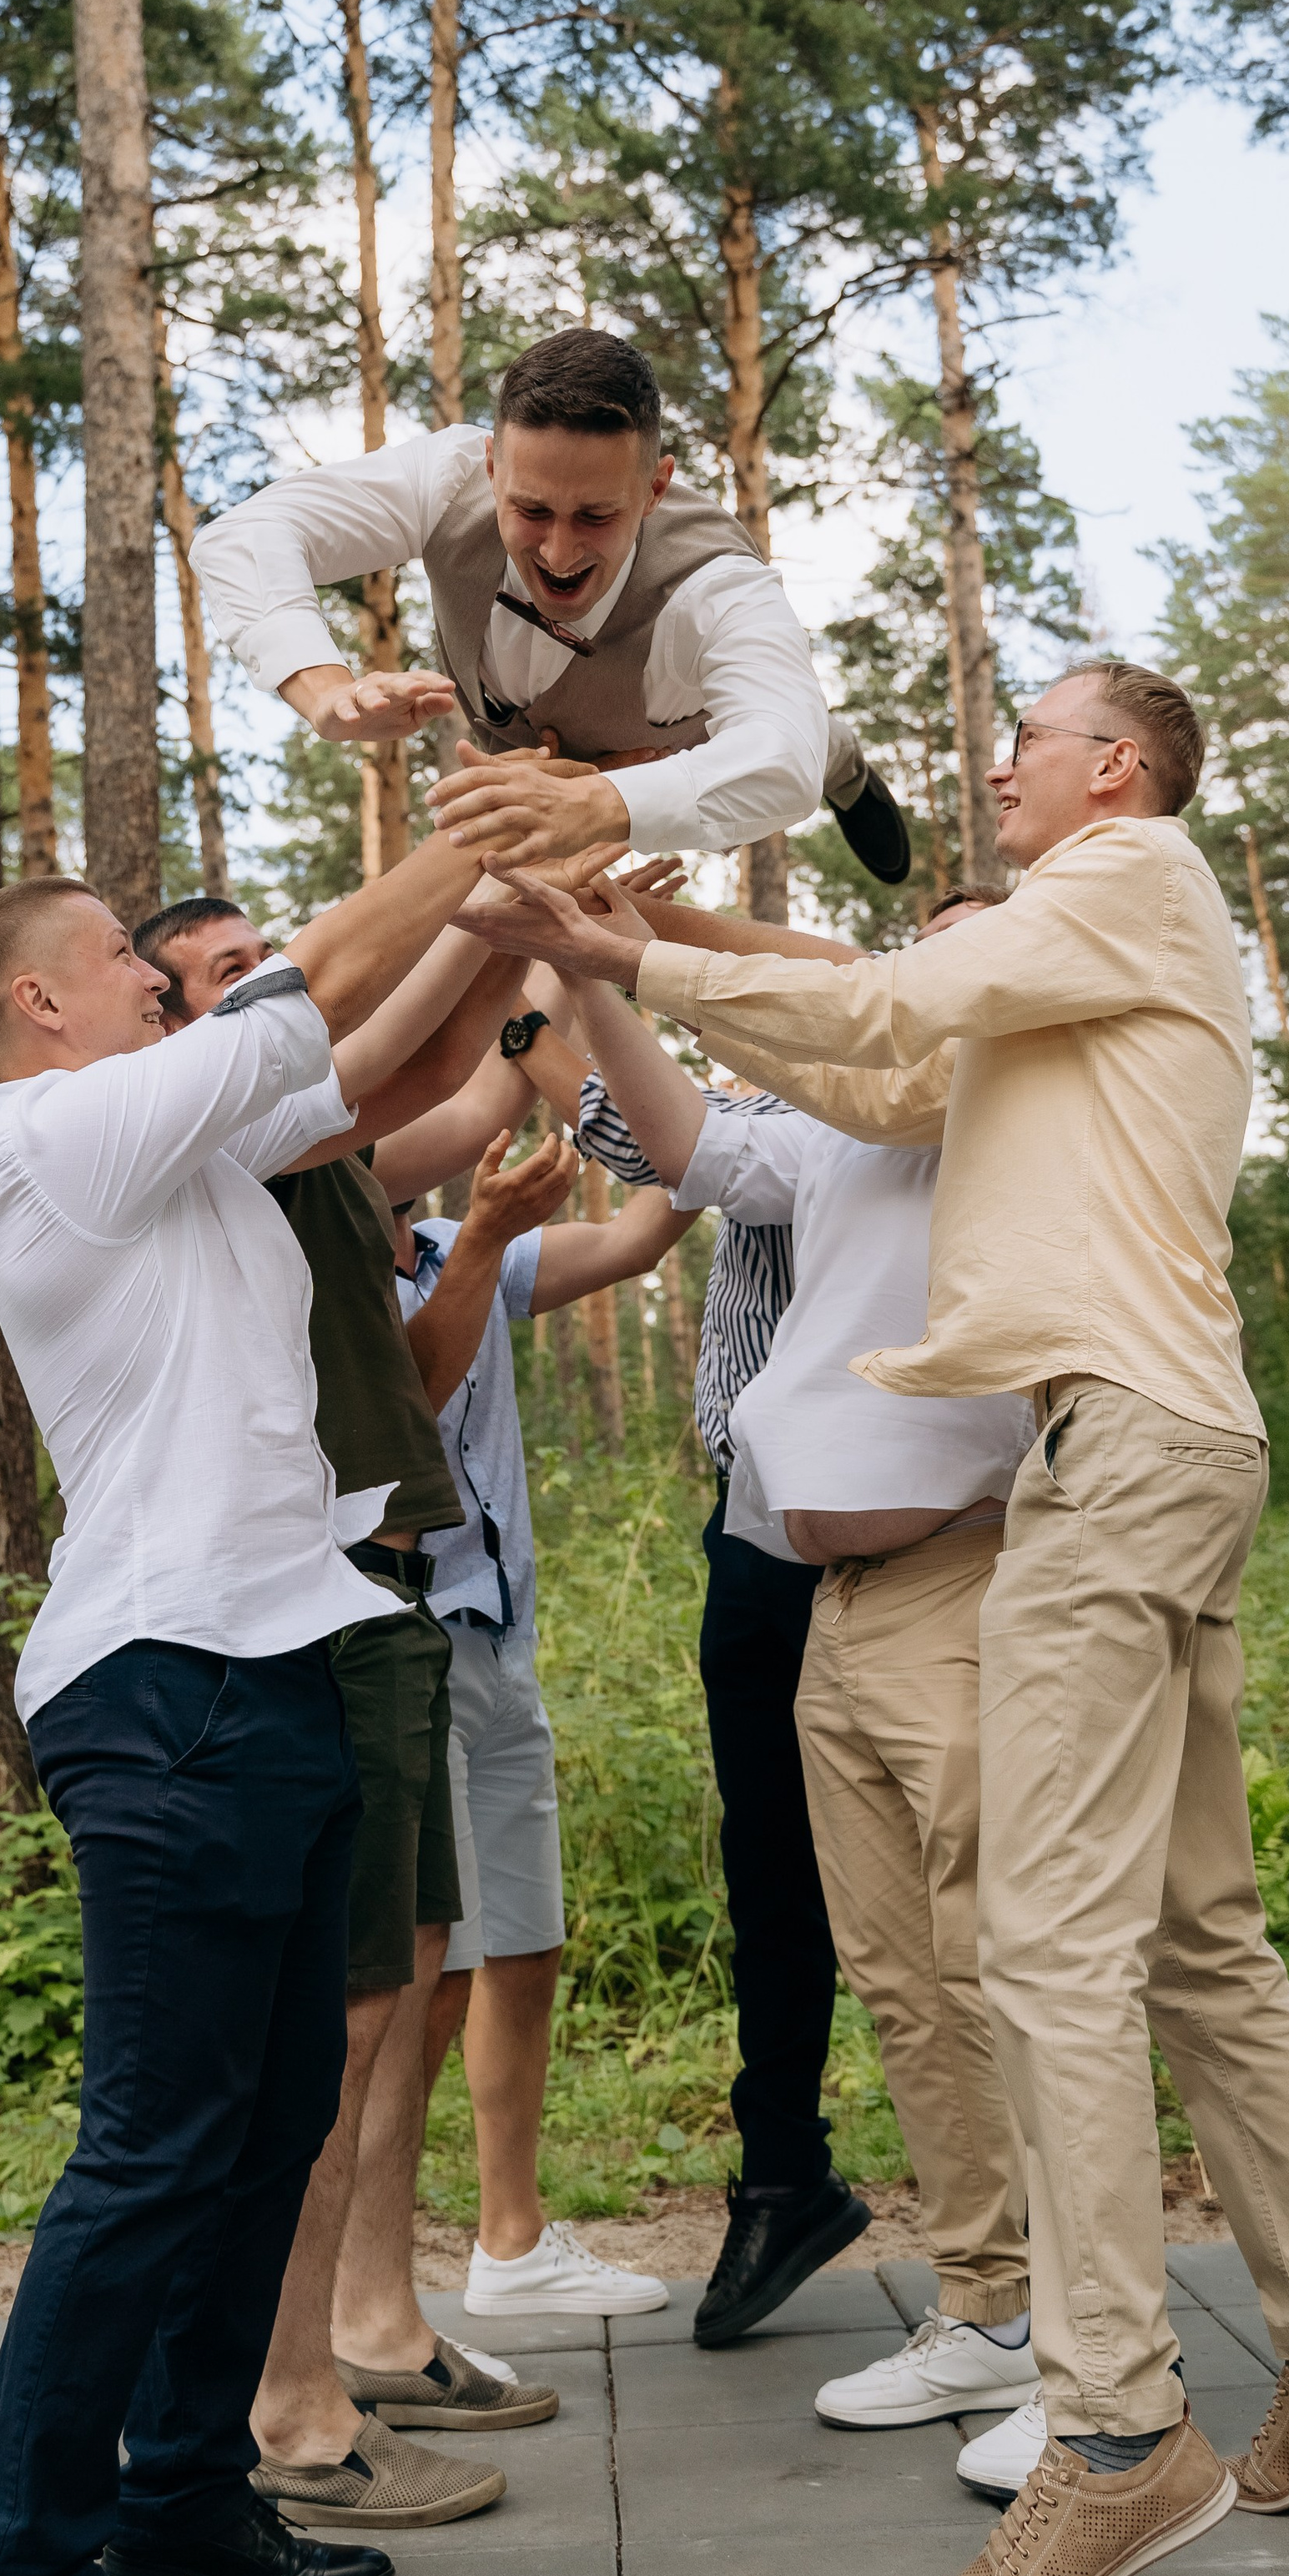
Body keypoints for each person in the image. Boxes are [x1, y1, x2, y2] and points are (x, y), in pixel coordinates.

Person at [481, 662, 1289, 2576]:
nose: (992, 760)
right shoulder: (1057, 979)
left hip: (1113, 1450)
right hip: (1154, 1437)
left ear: (1113, 765)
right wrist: (618, 955)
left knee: (1044, 1943)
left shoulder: (1136, 870)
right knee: (1194, 1933)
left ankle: (1107, 2432)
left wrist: (626, 929)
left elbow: (892, 995)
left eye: (1025, 731)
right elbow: (864, 1069)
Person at [0, 831, 505, 2576]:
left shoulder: (181, 1150)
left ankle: (186, 2497)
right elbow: (291, 1005)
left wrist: (496, 925)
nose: (152, 978)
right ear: (42, 1000)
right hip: (154, 1678)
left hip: (281, 1651)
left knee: (270, 2122)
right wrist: (457, 845)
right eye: (122, 959)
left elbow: (360, 1071)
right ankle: (19, 2573)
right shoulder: (39, 1142)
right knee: (152, 2141)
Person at [569, 953, 1043, 2470]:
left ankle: (1087, 2347)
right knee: (899, 1974)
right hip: (818, 1583)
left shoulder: (1025, 1107)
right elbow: (689, 1147)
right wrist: (589, 970)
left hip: (968, 1576)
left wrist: (652, 957)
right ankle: (987, 2311)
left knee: (998, 1970)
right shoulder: (838, 1129)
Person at [137, 897, 563, 2538]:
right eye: (235, 965)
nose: (279, 977)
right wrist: (491, 899)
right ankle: (287, 2403)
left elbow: (456, 1091)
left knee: (403, 1986)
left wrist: (533, 973)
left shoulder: (315, 1149)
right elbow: (397, 1054)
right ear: (183, 1024)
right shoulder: (231, 1135)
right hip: (317, 1595)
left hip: (389, 1593)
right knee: (342, 2011)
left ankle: (368, 2327)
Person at [566, 912, 880, 2346]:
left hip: (916, 1538)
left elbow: (630, 1129)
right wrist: (568, 951)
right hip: (757, 1538)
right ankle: (783, 2179)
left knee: (946, 1883)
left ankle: (1024, 2234)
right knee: (772, 1872)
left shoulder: (903, 1113)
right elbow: (625, 1128)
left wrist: (590, 948)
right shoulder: (779, 1111)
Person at [189, 325, 911, 882]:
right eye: (531, 510)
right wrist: (324, 691)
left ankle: (848, 767)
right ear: (493, 465)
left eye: (596, 517)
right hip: (514, 748)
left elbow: (779, 761)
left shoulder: (718, 588)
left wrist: (601, 804)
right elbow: (245, 536)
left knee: (808, 731)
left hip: (680, 742)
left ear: (655, 489)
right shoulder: (445, 477)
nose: (559, 555)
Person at [390, 1103, 697, 2322]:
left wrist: (712, 1112)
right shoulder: (296, 1258)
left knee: (523, 1943)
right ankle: (374, 2290)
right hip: (396, 1636)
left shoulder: (454, 1241)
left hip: (497, 1633)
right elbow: (407, 1395)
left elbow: (634, 1241)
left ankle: (509, 2244)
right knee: (429, 1978)